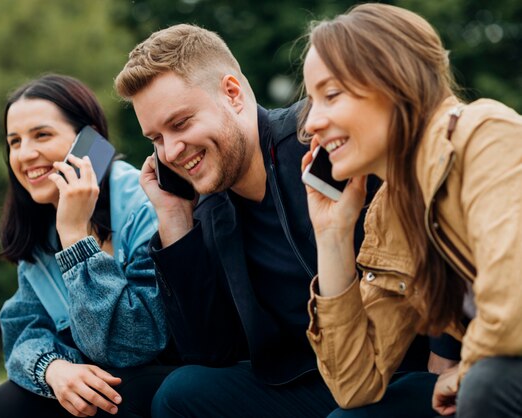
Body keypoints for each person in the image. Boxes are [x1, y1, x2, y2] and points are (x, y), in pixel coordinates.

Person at [114, 24, 448, 417]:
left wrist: (447, 349)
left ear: (233, 94)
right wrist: (173, 219)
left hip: (405, 368)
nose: (170, 151)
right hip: (310, 379)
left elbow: (435, 225)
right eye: (155, 138)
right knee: (180, 392)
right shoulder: (208, 209)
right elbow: (209, 351)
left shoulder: (324, 147)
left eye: (181, 123)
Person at [301, 4, 522, 417]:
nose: (312, 121)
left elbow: (513, 305)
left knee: (488, 387)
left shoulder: (484, 135)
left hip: (501, 376)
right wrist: (332, 237)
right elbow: (355, 385)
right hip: (496, 373)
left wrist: (467, 369)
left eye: (331, 95)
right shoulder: (392, 212)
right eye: (312, 101)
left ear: (394, 82)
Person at [0, 74, 174, 418]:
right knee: (6, 402)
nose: (26, 154)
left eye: (42, 135)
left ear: (88, 140)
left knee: (121, 392)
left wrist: (75, 236)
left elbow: (132, 345)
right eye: (14, 142)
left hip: (164, 374)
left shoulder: (141, 205)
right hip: (108, 376)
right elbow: (21, 333)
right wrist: (54, 369)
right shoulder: (42, 229)